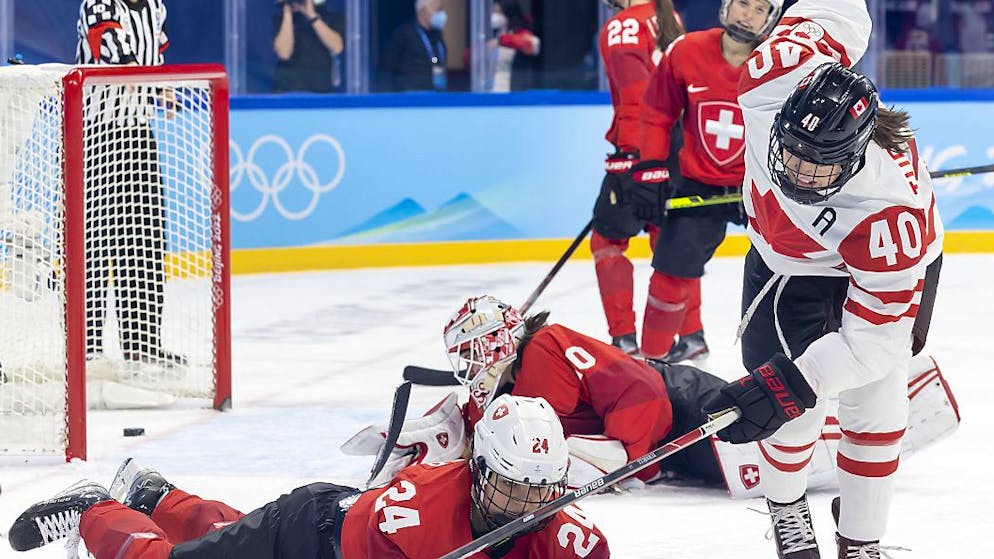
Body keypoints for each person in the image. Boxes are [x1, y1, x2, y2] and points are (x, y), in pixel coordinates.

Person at [699, 1, 944, 556]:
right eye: (794, 152)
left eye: (821, 165)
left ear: (856, 155)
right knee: (791, 412)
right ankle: (788, 509)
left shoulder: (889, 212)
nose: (799, 172)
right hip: (787, 267)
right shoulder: (769, 77)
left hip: (887, 269)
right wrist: (790, 388)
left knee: (876, 404)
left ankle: (861, 539)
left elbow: (871, 346)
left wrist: (795, 379)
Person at [346, 296, 958, 500]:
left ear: (503, 342)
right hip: (667, 429)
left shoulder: (548, 348)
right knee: (773, 460)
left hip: (683, 408)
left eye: (474, 351)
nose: (468, 368)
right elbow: (472, 425)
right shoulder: (507, 382)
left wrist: (631, 457)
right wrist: (413, 442)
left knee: (779, 461)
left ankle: (908, 396)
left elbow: (638, 390)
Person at [9, 395, 610, 558]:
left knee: (231, 537)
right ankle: (96, 511)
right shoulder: (421, 514)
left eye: (540, 487)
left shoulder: (569, 535)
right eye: (512, 484)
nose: (528, 502)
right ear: (478, 471)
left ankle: (155, 495)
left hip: (338, 524)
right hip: (306, 536)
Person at [633, 0, 783, 365]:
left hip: (761, 188)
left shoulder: (781, 63)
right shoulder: (686, 51)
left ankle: (796, 370)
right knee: (669, 273)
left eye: (759, 9)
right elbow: (656, 113)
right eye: (742, 4)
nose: (747, 15)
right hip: (701, 186)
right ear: (726, 6)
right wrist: (650, 168)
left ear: (771, 18)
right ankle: (648, 367)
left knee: (796, 273)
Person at [75, 0, 185, 366]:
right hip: (96, 134)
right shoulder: (97, 4)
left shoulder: (155, 6)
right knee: (94, 243)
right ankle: (85, 346)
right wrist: (159, 85)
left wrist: (163, 87)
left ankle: (143, 344)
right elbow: (114, 54)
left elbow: (155, 54)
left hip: (138, 132)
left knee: (145, 240)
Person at [591, 0, 683, 355]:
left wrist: (636, 159)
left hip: (641, 151)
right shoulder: (668, 17)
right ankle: (689, 336)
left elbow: (636, 100)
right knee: (670, 241)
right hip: (677, 148)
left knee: (607, 242)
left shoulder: (622, 26)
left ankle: (625, 339)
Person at [272, 0, 345, 93]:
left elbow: (337, 48)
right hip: (287, 88)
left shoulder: (334, 18)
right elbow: (284, 53)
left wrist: (311, 15)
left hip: (320, 88)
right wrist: (287, 12)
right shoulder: (279, 19)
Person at [382, 0, 449, 92]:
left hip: (437, 93)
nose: (442, 14)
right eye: (437, 9)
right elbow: (388, 69)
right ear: (422, 11)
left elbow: (437, 60)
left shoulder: (438, 35)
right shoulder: (403, 34)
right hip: (411, 96)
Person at [486, 0, 541, 92]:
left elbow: (530, 44)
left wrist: (501, 41)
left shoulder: (521, 32)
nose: (495, 17)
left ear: (509, 13)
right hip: (491, 89)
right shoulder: (493, 33)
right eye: (493, 12)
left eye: (499, 13)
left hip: (511, 89)